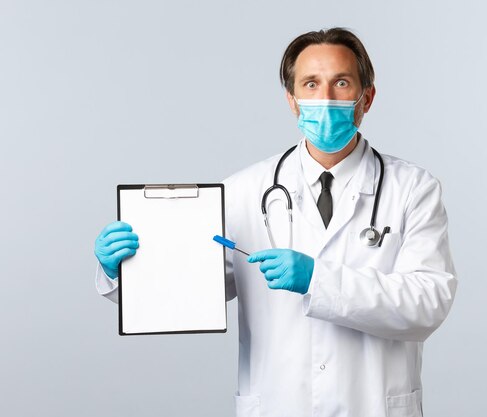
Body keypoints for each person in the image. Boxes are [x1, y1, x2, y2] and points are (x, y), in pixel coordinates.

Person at [94, 27, 457, 417]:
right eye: (311, 84)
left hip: (373, 406)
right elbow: (190, 294)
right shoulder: (243, 191)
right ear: (292, 101)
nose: (326, 99)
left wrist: (317, 279)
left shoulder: (413, 189)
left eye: (342, 82)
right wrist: (124, 271)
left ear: (366, 97)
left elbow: (428, 304)